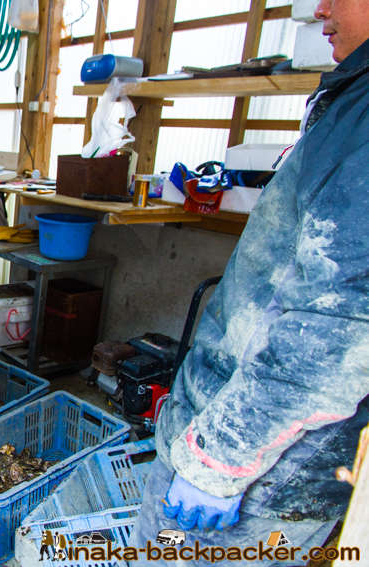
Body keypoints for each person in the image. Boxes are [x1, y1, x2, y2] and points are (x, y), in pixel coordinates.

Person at [128, 1, 369, 562]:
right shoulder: (351, 100)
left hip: (259, 475)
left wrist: (218, 461)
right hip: (239, 442)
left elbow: (338, 331)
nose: (320, 8)